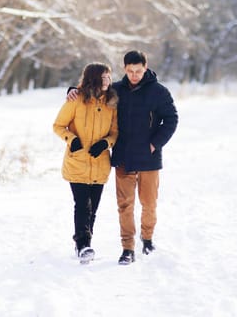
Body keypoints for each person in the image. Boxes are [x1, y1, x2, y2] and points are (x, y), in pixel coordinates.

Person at [67, 50, 178, 265]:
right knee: (125, 205)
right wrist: (73, 90)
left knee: (148, 203)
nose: (134, 75)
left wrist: (155, 144)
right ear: (124, 69)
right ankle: (128, 248)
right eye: (130, 71)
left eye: (138, 71)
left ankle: (147, 237)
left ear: (145, 68)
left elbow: (171, 119)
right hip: (123, 158)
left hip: (149, 158)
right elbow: (92, 94)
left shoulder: (159, 92)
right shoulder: (116, 90)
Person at [53, 62, 118, 264]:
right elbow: (58, 125)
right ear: (93, 78)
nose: (107, 81)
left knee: (94, 207)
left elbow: (115, 133)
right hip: (78, 161)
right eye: (103, 77)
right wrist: (72, 140)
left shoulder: (112, 103)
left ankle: (84, 243)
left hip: (100, 163)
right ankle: (83, 245)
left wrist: (106, 143)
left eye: (109, 77)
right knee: (82, 205)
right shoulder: (76, 100)